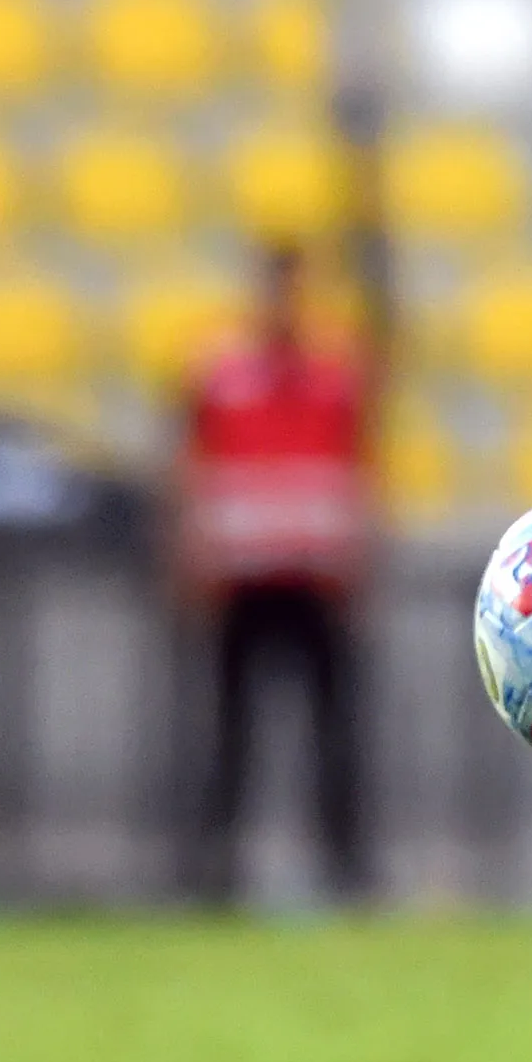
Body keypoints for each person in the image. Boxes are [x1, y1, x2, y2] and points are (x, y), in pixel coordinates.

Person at [175, 243, 376, 907]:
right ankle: (215, 866)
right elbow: (192, 466)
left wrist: (361, 553)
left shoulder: (336, 374)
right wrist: (190, 550)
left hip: (316, 577)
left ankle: (345, 865)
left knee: (333, 730)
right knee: (232, 730)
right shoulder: (220, 375)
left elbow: (361, 467)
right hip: (245, 577)